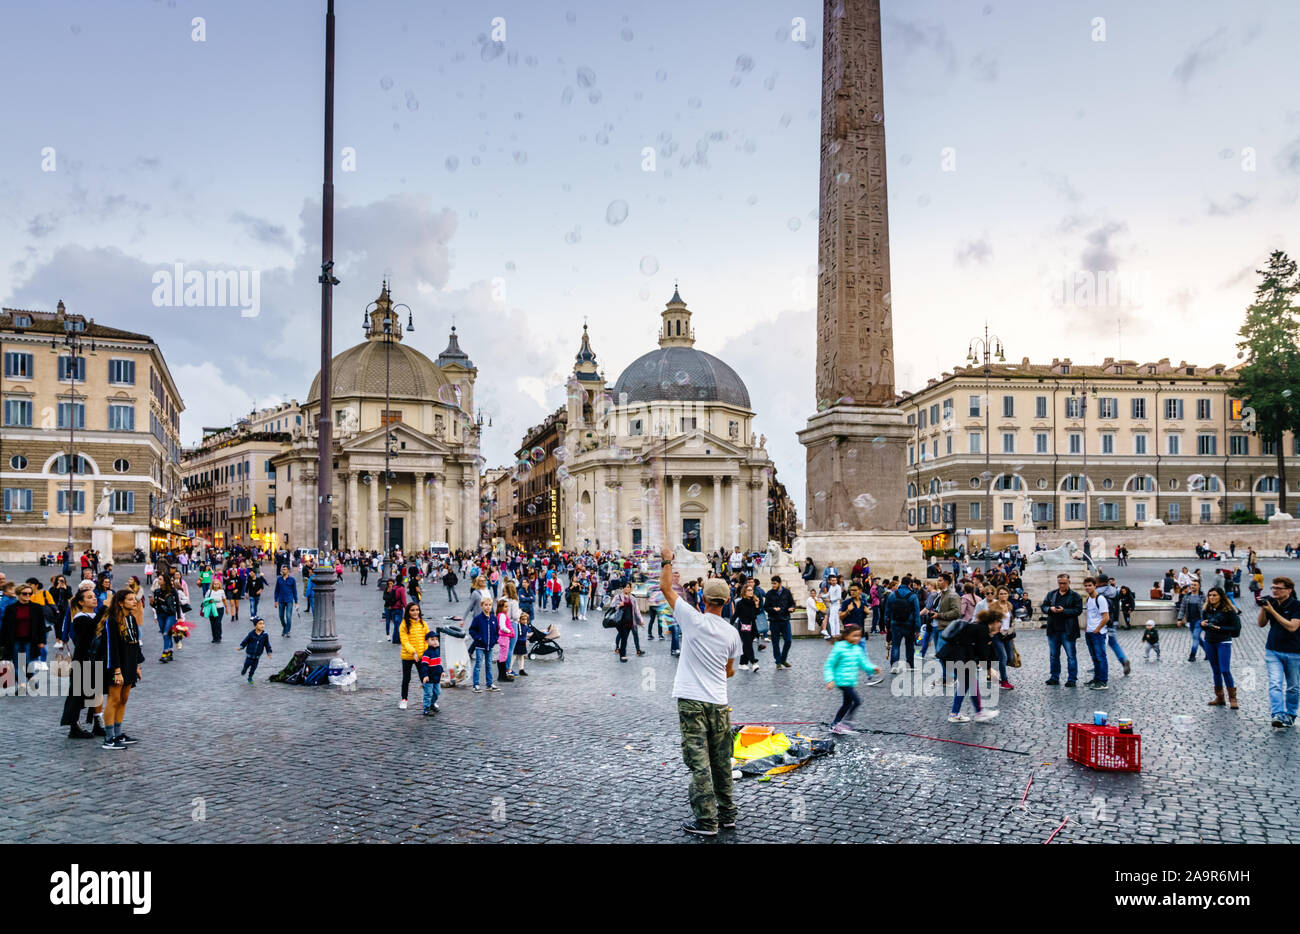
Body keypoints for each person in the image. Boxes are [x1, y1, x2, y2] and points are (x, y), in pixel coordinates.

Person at [658, 547, 741, 837]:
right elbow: (729, 670)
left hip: (692, 701)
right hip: (719, 703)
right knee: (721, 761)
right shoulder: (733, 634)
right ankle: (727, 814)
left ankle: (707, 822)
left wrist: (667, 559)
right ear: (727, 602)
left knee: (699, 763)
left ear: (703, 600)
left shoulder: (693, 620)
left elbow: (665, 588)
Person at [100, 588, 143, 750]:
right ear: (120, 602)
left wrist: (138, 665)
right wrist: (116, 670)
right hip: (116, 665)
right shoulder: (111, 621)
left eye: (135, 599)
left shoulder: (131, 618)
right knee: (114, 699)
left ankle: (118, 734)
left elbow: (135, 643)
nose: (135, 602)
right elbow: (112, 647)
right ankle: (109, 737)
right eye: (130, 599)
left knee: (124, 698)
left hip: (130, 663)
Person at [939, 608, 999, 723]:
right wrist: (989, 669)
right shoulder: (982, 630)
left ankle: (959, 713)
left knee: (968, 683)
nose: (1001, 625)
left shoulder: (978, 627)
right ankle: (976, 712)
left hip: (952, 655)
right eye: (999, 622)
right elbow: (983, 653)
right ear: (993, 622)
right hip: (956, 657)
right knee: (969, 682)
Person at [59, 586, 102, 738]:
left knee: (95, 693)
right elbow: (90, 630)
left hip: (95, 658)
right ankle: (74, 726)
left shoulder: (95, 615)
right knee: (78, 694)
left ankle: (97, 723)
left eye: (94, 596)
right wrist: (105, 610)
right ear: (81, 603)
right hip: (82, 660)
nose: (94, 598)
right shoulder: (79, 618)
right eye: (89, 597)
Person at [1258, 577, 1300, 728]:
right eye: (1273, 587)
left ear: (1288, 590)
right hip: (1273, 650)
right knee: (1275, 683)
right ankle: (1278, 714)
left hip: (1295, 652)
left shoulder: (1297, 606)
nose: (1274, 590)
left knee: (1293, 686)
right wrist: (1264, 608)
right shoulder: (1272, 604)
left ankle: (1291, 714)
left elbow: (1292, 627)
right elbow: (1261, 624)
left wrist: (1273, 612)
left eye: (1278, 588)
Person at [823, 625, 879, 735]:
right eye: (854, 636)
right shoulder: (839, 648)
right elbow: (829, 665)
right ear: (846, 636)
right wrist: (830, 680)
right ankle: (845, 723)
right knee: (857, 701)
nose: (857, 638)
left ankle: (835, 724)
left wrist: (873, 669)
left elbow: (863, 664)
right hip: (841, 681)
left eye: (859, 636)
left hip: (850, 681)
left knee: (847, 704)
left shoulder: (857, 649)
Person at [1200, 586, 1240, 708]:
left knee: (1225, 670)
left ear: (1221, 597)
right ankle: (1220, 697)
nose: (1211, 597)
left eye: (1214, 595)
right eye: (1210, 595)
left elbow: (1236, 630)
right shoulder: (1206, 609)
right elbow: (1205, 625)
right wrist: (1203, 625)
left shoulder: (1229, 611)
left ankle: (1233, 698)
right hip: (1209, 641)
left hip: (1223, 642)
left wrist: (1220, 628)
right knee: (1215, 670)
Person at [1042, 574, 1082, 687]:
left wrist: (1064, 611)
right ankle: (1054, 677)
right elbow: (1043, 606)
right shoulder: (1052, 594)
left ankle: (1072, 679)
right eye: (1060, 583)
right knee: (1054, 656)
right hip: (1053, 630)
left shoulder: (1075, 596)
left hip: (1068, 631)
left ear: (1069, 582)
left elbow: (1078, 610)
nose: (1062, 585)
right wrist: (1050, 609)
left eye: (1064, 583)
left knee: (1071, 656)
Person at [397, 603, 430, 710]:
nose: (415, 612)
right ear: (408, 612)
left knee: (424, 678)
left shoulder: (423, 624)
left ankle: (429, 700)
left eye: (417, 610)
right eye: (412, 610)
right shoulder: (404, 625)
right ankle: (404, 699)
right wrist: (413, 652)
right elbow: (405, 641)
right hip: (408, 656)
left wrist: (426, 652)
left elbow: (427, 640)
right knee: (406, 678)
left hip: (421, 656)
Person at [1081, 577, 1111, 691]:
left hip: (1098, 633)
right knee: (1095, 658)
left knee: (1101, 657)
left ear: (1095, 586)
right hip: (1090, 632)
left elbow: (1106, 617)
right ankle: (1097, 679)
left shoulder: (1101, 599)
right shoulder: (1089, 599)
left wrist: (1097, 629)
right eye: (1086, 586)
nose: (1087, 588)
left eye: (1089, 585)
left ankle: (1103, 681)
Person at [886, 578, 920, 672]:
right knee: (909, 645)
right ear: (910, 584)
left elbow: (887, 611)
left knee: (895, 645)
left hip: (895, 623)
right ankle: (910, 665)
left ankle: (894, 666)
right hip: (909, 624)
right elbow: (917, 613)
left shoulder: (892, 594)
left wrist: (887, 625)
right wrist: (917, 629)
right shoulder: (913, 596)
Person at [467, 596, 500, 693]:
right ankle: (476, 684)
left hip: (490, 646)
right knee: (478, 665)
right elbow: (472, 630)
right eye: (486, 605)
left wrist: (495, 639)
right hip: (480, 646)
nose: (488, 607)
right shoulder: (478, 619)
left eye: (490, 605)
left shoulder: (493, 618)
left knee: (489, 665)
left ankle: (489, 684)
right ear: (482, 606)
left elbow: (497, 631)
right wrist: (478, 638)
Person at [764, 575, 795, 669]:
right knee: (775, 642)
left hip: (785, 620)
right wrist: (773, 609)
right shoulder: (769, 593)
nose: (773, 585)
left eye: (775, 583)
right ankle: (778, 662)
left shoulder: (787, 592)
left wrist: (792, 608)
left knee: (788, 640)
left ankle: (783, 659)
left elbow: (792, 603)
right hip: (774, 621)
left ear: (780, 583)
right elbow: (766, 607)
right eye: (772, 583)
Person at [734, 581, 761, 672]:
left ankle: (742, 663)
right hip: (743, 627)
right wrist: (730, 625)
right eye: (749, 590)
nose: (751, 592)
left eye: (752, 590)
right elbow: (735, 615)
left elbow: (755, 615)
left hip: (752, 626)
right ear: (744, 592)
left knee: (746, 645)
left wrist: (757, 605)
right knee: (748, 644)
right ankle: (754, 662)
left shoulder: (753, 602)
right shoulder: (740, 603)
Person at [238, 616, 273, 685]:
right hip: (249, 655)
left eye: (263, 623)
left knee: (253, 668)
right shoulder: (251, 634)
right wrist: (242, 646)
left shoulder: (265, 635)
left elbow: (267, 644)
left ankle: (250, 677)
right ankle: (244, 669)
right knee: (246, 665)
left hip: (257, 656)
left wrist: (269, 652)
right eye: (260, 624)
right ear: (255, 626)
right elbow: (246, 640)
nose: (262, 625)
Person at [1179, 579, 1206, 662]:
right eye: (1192, 585)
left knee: (1195, 637)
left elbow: (1207, 608)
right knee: (1198, 638)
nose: (1193, 586)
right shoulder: (1187, 596)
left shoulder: (1202, 597)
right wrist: (1179, 619)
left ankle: (1192, 655)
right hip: (1191, 621)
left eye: (1195, 585)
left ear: (1199, 586)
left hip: (1200, 621)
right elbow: (1182, 608)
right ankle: (1208, 652)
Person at [419, 630, 443, 715]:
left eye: (436, 639)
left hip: (436, 677)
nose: (435, 641)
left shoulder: (437, 652)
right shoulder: (427, 653)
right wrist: (425, 675)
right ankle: (426, 708)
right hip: (429, 678)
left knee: (437, 692)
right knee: (428, 693)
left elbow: (439, 663)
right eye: (432, 639)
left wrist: (442, 671)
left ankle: (432, 704)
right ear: (427, 641)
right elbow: (424, 666)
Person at [273, 565, 298, 639]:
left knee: (288, 616)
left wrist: (296, 601)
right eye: (282, 569)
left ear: (288, 571)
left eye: (284, 569)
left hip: (289, 600)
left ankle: (287, 631)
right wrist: (275, 600)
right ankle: (285, 628)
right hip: (281, 600)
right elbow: (276, 590)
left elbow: (295, 591)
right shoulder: (279, 579)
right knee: (281, 617)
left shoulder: (292, 580)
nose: (283, 571)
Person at [494, 598, 516, 682]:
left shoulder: (500, 615)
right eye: (505, 607)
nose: (507, 608)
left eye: (507, 606)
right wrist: (509, 631)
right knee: (503, 657)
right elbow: (502, 627)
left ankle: (502, 675)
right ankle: (502, 676)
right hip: (504, 637)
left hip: (504, 637)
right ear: (501, 607)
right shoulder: (502, 615)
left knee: (502, 656)